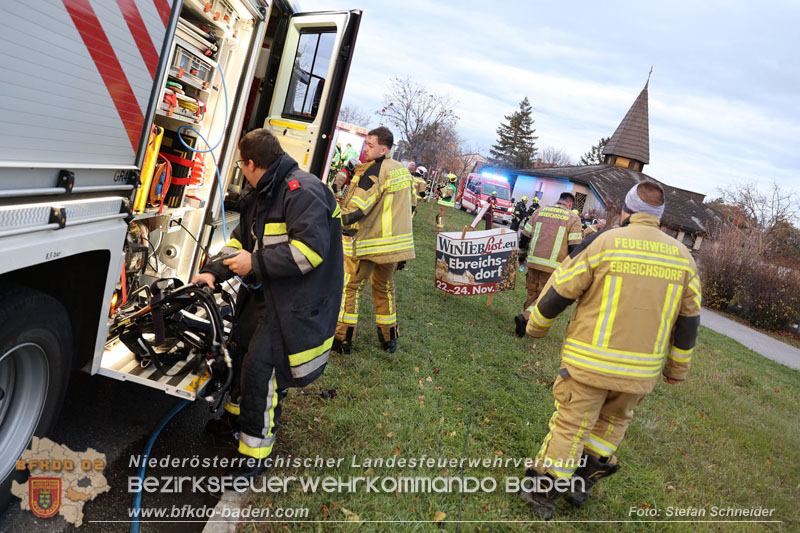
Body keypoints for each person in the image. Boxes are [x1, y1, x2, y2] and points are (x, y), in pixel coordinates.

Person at [517, 181, 701, 519]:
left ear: (628, 211)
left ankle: (544, 490)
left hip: (590, 363)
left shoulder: (605, 242)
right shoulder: (684, 259)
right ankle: (581, 481)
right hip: (639, 372)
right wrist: (676, 369)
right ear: (659, 218)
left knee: (572, 424)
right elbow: (689, 321)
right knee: (613, 422)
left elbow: (561, 289)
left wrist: (535, 325)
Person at [194, 129, 343, 476]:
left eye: (240, 164)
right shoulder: (261, 193)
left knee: (262, 368)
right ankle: (234, 422)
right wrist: (213, 273)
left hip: (294, 304)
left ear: (250, 163)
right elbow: (239, 243)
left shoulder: (301, 192)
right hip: (267, 294)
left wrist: (255, 264)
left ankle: (254, 455)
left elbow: (310, 253)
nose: (240, 170)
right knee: (242, 352)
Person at [334, 126, 415, 354]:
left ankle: (342, 340)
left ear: (383, 149)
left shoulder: (374, 171)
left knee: (350, 288)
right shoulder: (401, 170)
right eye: (365, 144)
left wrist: (334, 216)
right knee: (384, 288)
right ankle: (389, 339)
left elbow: (355, 211)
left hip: (370, 243)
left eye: (370, 145)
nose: (365, 149)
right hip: (393, 247)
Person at [513, 192, 582, 337]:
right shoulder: (573, 218)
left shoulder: (540, 211)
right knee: (544, 298)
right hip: (553, 266)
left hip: (532, 261)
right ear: (570, 204)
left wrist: (522, 257)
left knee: (532, 292)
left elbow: (524, 236)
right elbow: (574, 247)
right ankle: (525, 317)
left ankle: (524, 327)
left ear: (558, 200)